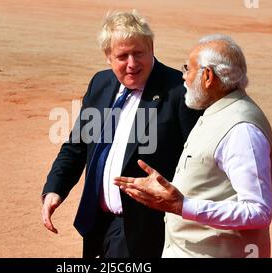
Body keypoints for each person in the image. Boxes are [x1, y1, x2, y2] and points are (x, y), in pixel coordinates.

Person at [41, 11, 201, 258]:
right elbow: (78, 145)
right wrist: (55, 189)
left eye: (139, 53)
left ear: (151, 48)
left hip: (142, 231)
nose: (132, 64)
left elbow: (199, 161)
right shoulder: (101, 84)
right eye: (122, 56)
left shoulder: (178, 92)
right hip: (96, 224)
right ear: (108, 57)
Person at [114, 34, 272, 258]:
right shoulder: (217, 110)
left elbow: (258, 211)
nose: (183, 77)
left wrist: (183, 205)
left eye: (188, 69)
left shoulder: (241, 130)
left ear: (208, 76)